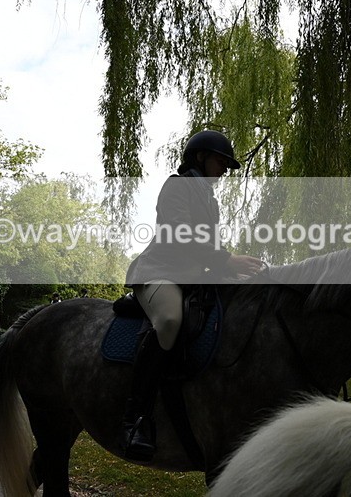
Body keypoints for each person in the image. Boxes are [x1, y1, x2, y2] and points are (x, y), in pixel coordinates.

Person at [120, 129, 264, 461]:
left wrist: (231, 269)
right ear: (200, 157)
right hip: (159, 272)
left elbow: (208, 245)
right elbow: (179, 234)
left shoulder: (209, 201)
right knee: (170, 320)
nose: (225, 170)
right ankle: (134, 420)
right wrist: (224, 260)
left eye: (228, 165)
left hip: (194, 278)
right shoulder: (177, 186)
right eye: (221, 162)